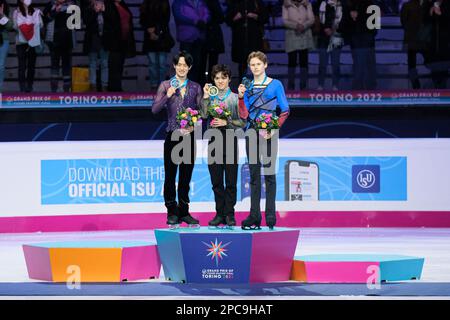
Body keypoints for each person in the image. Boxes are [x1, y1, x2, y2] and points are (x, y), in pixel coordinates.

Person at [152, 51, 202, 227]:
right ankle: (171, 211)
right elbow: (154, 109)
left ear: (189, 67)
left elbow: (202, 111)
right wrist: (167, 95)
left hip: (189, 136)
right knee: (170, 175)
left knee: (186, 176)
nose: (182, 68)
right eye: (179, 65)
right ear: (174, 66)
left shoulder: (196, 87)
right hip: (172, 135)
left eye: (185, 65)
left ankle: (184, 211)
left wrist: (194, 124)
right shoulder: (166, 85)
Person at [241, 51, 290, 230]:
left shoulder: (275, 84)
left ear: (265, 65)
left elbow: (285, 110)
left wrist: (273, 128)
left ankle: (270, 215)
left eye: (258, 64)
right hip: (252, 132)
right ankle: (254, 215)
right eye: (252, 65)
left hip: (269, 132)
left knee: (269, 175)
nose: (255, 67)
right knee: (253, 175)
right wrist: (240, 97)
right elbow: (243, 114)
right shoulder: (246, 86)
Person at [201, 64, 247, 228]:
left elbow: (242, 122)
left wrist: (226, 122)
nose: (220, 81)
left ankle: (229, 214)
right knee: (216, 182)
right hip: (213, 141)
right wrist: (206, 96)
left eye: (223, 77)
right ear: (213, 79)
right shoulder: (210, 97)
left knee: (231, 181)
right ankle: (219, 213)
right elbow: (204, 114)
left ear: (229, 79)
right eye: (217, 78)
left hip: (230, 141)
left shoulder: (235, 98)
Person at [226, 0, 269, 80]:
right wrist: (236, 17)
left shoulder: (257, 2)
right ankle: (242, 83)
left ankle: (257, 84)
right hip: (240, 38)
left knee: (256, 61)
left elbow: (265, 18)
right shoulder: (234, 3)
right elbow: (227, 20)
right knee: (242, 62)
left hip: (255, 38)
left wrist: (255, 16)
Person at [172, 0, 210, 85]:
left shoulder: (201, 2)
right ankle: (184, 85)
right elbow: (179, 16)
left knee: (197, 63)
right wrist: (195, 21)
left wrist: (204, 20)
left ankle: (194, 85)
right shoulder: (179, 2)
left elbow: (207, 13)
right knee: (184, 63)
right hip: (186, 37)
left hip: (199, 36)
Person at [139, 0, 174, 91]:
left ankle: (161, 86)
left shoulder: (164, 3)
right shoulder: (145, 3)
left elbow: (166, 20)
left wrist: (156, 30)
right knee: (152, 63)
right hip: (149, 38)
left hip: (162, 37)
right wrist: (148, 29)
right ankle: (154, 86)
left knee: (162, 64)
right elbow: (142, 20)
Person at [103, 0, 136, 92]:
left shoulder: (123, 5)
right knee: (114, 66)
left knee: (119, 66)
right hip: (113, 42)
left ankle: (117, 88)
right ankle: (113, 89)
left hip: (123, 41)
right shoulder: (108, 5)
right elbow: (110, 21)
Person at [43, 0, 76, 92]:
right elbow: (44, 19)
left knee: (66, 65)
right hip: (54, 40)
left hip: (68, 40)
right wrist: (55, 11)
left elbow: (76, 22)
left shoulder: (72, 4)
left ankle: (66, 90)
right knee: (54, 65)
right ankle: (54, 90)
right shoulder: (50, 4)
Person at [282, 0, 315, 90]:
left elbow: (311, 19)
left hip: (304, 35)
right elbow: (284, 21)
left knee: (303, 61)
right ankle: (291, 85)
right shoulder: (286, 4)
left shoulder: (307, 4)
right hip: (292, 36)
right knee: (292, 61)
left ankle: (303, 85)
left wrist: (303, 25)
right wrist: (296, 25)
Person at [13, 0, 43, 93]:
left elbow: (41, 25)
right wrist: (25, 25)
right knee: (22, 66)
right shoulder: (16, 12)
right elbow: (14, 26)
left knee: (31, 66)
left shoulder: (35, 11)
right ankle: (22, 89)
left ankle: (29, 87)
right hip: (21, 43)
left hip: (33, 42)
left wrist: (33, 23)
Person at [346, 0, 377, 90]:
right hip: (358, 40)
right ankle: (360, 90)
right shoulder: (350, 6)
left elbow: (375, 27)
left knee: (366, 66)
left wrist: (358, 17)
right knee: (361, 67)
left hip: (365, 40)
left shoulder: (372, 5)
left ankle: (366, 89)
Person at [315, 0, 345, 90]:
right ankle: (320, 85)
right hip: (323, 39)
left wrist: (333, 29)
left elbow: (344, 22)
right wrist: (325, 28)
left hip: (336, 38)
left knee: (335, 64)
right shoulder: (320, 4)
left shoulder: (341, 6)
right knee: (322, 64)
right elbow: (317, 21)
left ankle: (335, 85)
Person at [422, 0, 450, 89]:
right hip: (432, 51)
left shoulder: (446, 5)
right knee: (437, 75)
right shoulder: (427, 5)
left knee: (442, 76)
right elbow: (423, 21)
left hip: (444, 49)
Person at [82, 0, 108, 92]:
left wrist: (105, 12)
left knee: (104, 63)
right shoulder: (88, 8)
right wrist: (95, 11)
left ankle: (104, 87)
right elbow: (86, 22)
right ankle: (93, 86)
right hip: (92, 39)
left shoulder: (108, 7)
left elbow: (112, 22)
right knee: (92, 63)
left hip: (104, 40)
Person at [400, 0, 426, 89]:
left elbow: (403, 22)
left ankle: (415, 84)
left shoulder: (406, 5)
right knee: (432, 60)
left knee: (411, 64)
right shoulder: (426, 5)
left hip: (411, 39)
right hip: (424, 38)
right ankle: (437, 83)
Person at [204, 0, 225, 81]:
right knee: (212, 61)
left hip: (208, 33)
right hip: (212, 33)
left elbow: (221, 18)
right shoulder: (213, 3)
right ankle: (211, 82)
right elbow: (221, 18)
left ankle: (206, 82)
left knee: (203, 61)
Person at [0, 0, 13, 92]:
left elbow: (10, 26)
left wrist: (2, 15)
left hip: (3, 40)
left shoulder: (5, 6)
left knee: (1, 66)